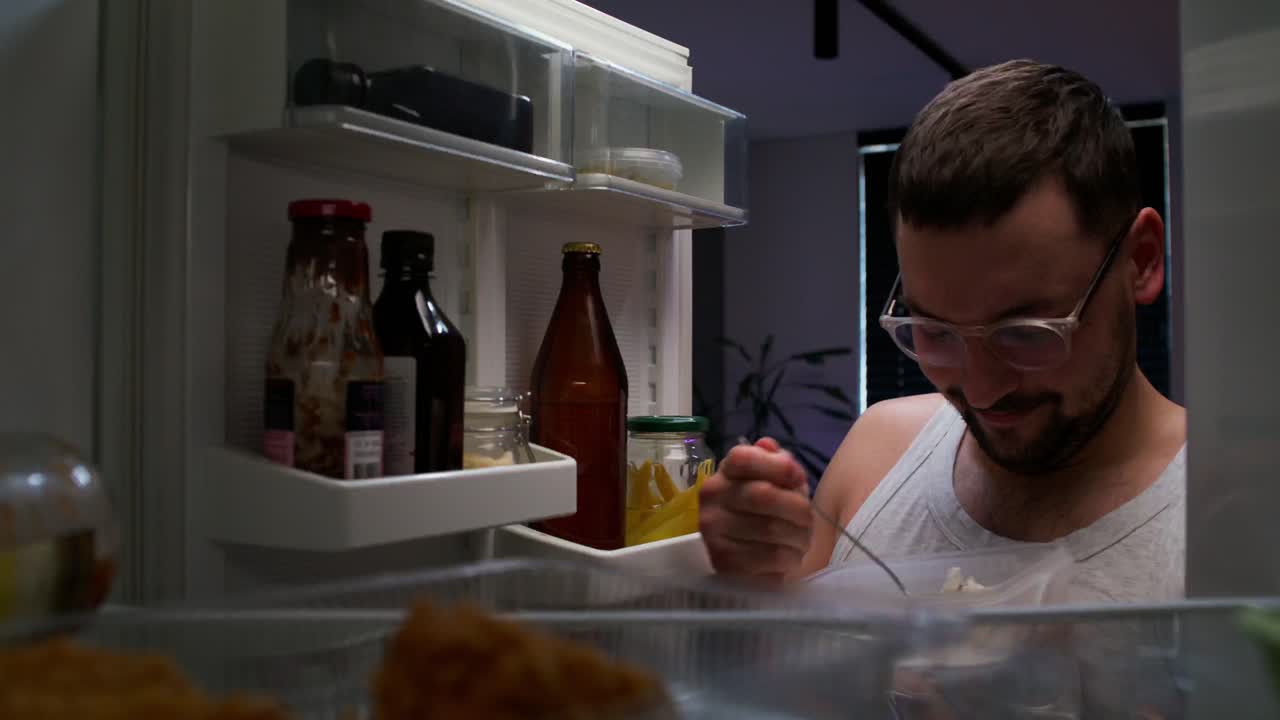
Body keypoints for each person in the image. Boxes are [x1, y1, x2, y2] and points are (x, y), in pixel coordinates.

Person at [699, 59, 1187, 602]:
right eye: (934, 331)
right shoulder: (877, 454)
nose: (979, 390)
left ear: (1140, 261)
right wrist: (754, 577)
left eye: (1025, 332)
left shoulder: (1229, 518)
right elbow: (792, 677)